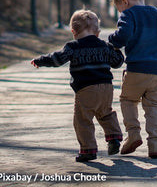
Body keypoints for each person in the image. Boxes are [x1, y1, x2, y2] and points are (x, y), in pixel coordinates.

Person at [31, 10, 124, 162]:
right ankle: (114, 138)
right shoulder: (104, 46)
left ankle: (88, 150)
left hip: (86, 89)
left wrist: (41, 60)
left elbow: (57, 59)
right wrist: (116, 50)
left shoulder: (72, 47)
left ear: (73, 32)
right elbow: (117, 62)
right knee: (106, 113)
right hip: (107, 88)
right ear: (98, 32)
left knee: (82, 119)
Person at [108, 0, 157, 159]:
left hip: (136, 69)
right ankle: (155, 145)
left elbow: (123, 36)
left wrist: (112, 40)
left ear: (125, 1)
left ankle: (133, 134)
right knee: (154, 107)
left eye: (119, 9)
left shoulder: (129, 14)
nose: (120, 12)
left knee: (128, 100)